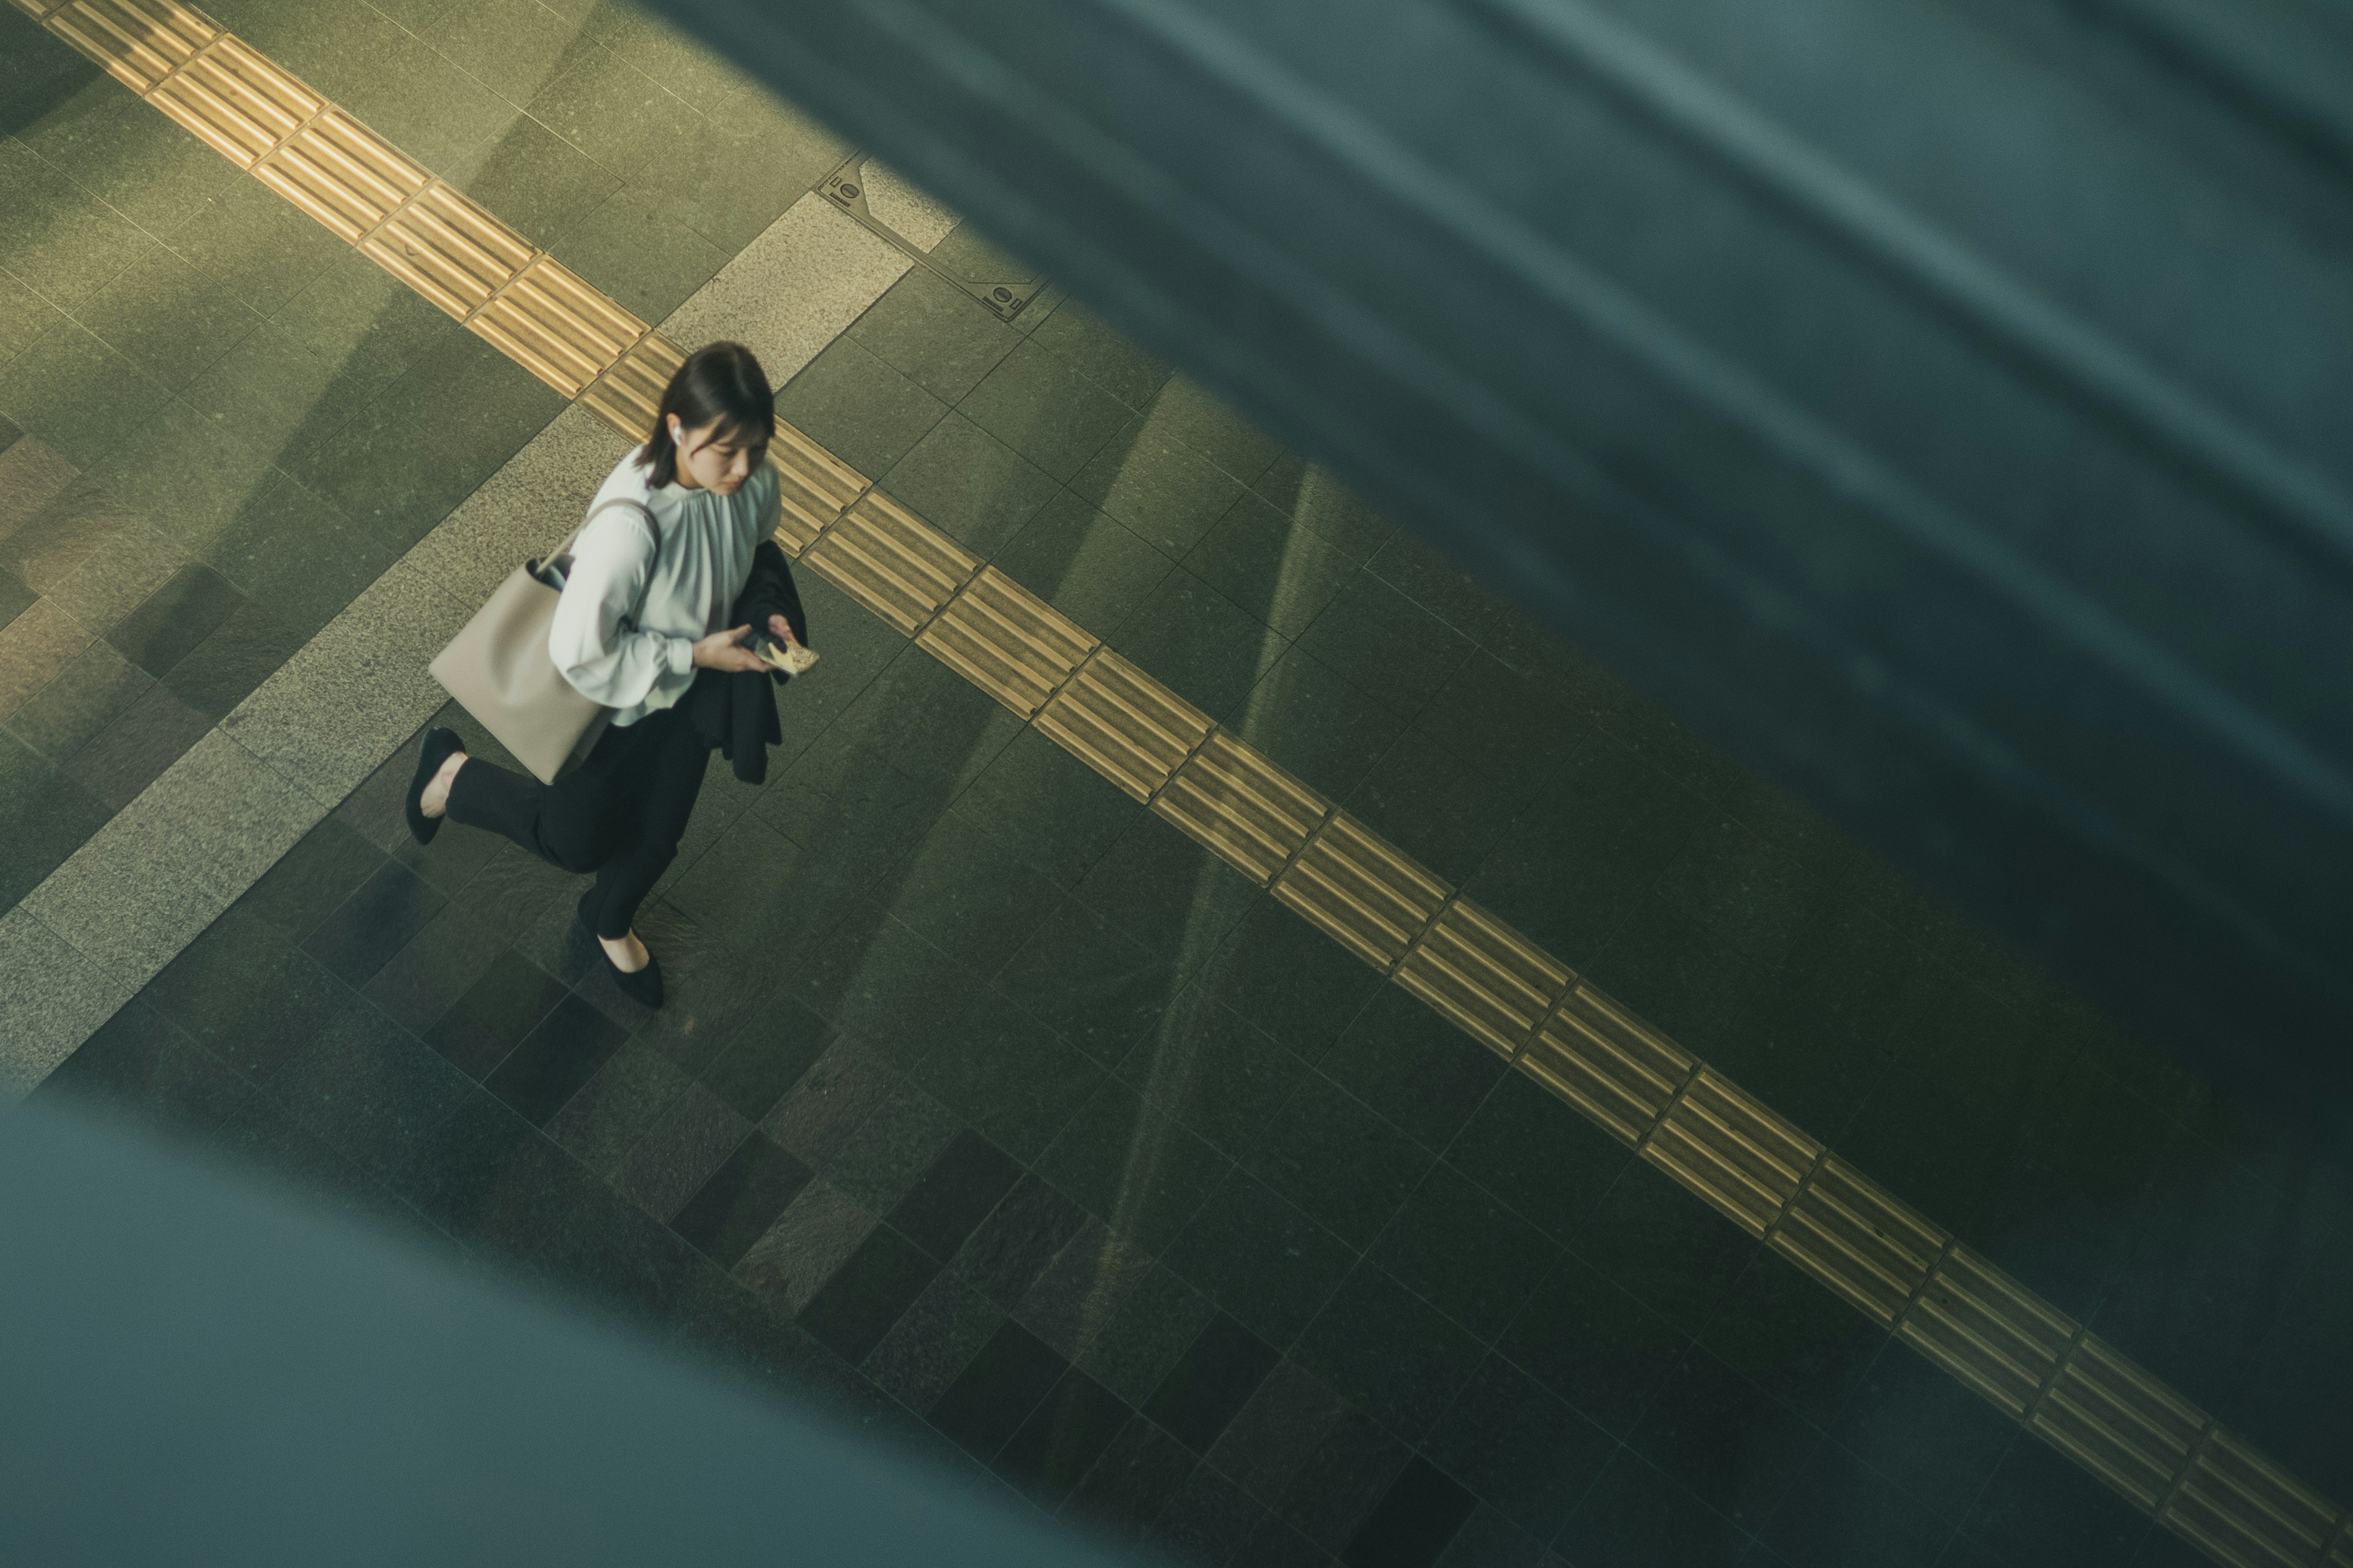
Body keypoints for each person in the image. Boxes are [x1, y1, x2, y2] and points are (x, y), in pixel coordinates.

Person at [401, 341, 805, 1007]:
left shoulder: (753, 481)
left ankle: (608, 920)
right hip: (614, 714)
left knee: (658, 835)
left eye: (755, 448)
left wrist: (768, 617)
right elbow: (581, 650)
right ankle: (455, 775)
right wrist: (692, 656)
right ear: (677, 428)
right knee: (573, 841)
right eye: (724, 450)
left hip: (690, 694)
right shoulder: (632, 527)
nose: (742, 468)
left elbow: (758, 557)